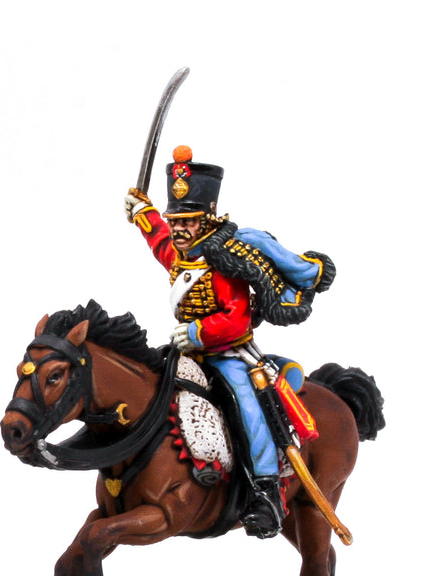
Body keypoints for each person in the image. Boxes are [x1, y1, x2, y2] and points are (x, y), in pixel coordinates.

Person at [125, 145, 334, 538]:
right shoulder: (181, 255)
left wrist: (196, 333)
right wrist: (143, 214)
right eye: (175, 220)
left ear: (207, 219)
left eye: (187, 221)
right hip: (186, 354)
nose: (179, 229)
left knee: (246, 407)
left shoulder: (225, 262)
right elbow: (161, 243)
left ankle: (266, 492)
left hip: (228, 354)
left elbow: (235, 319)